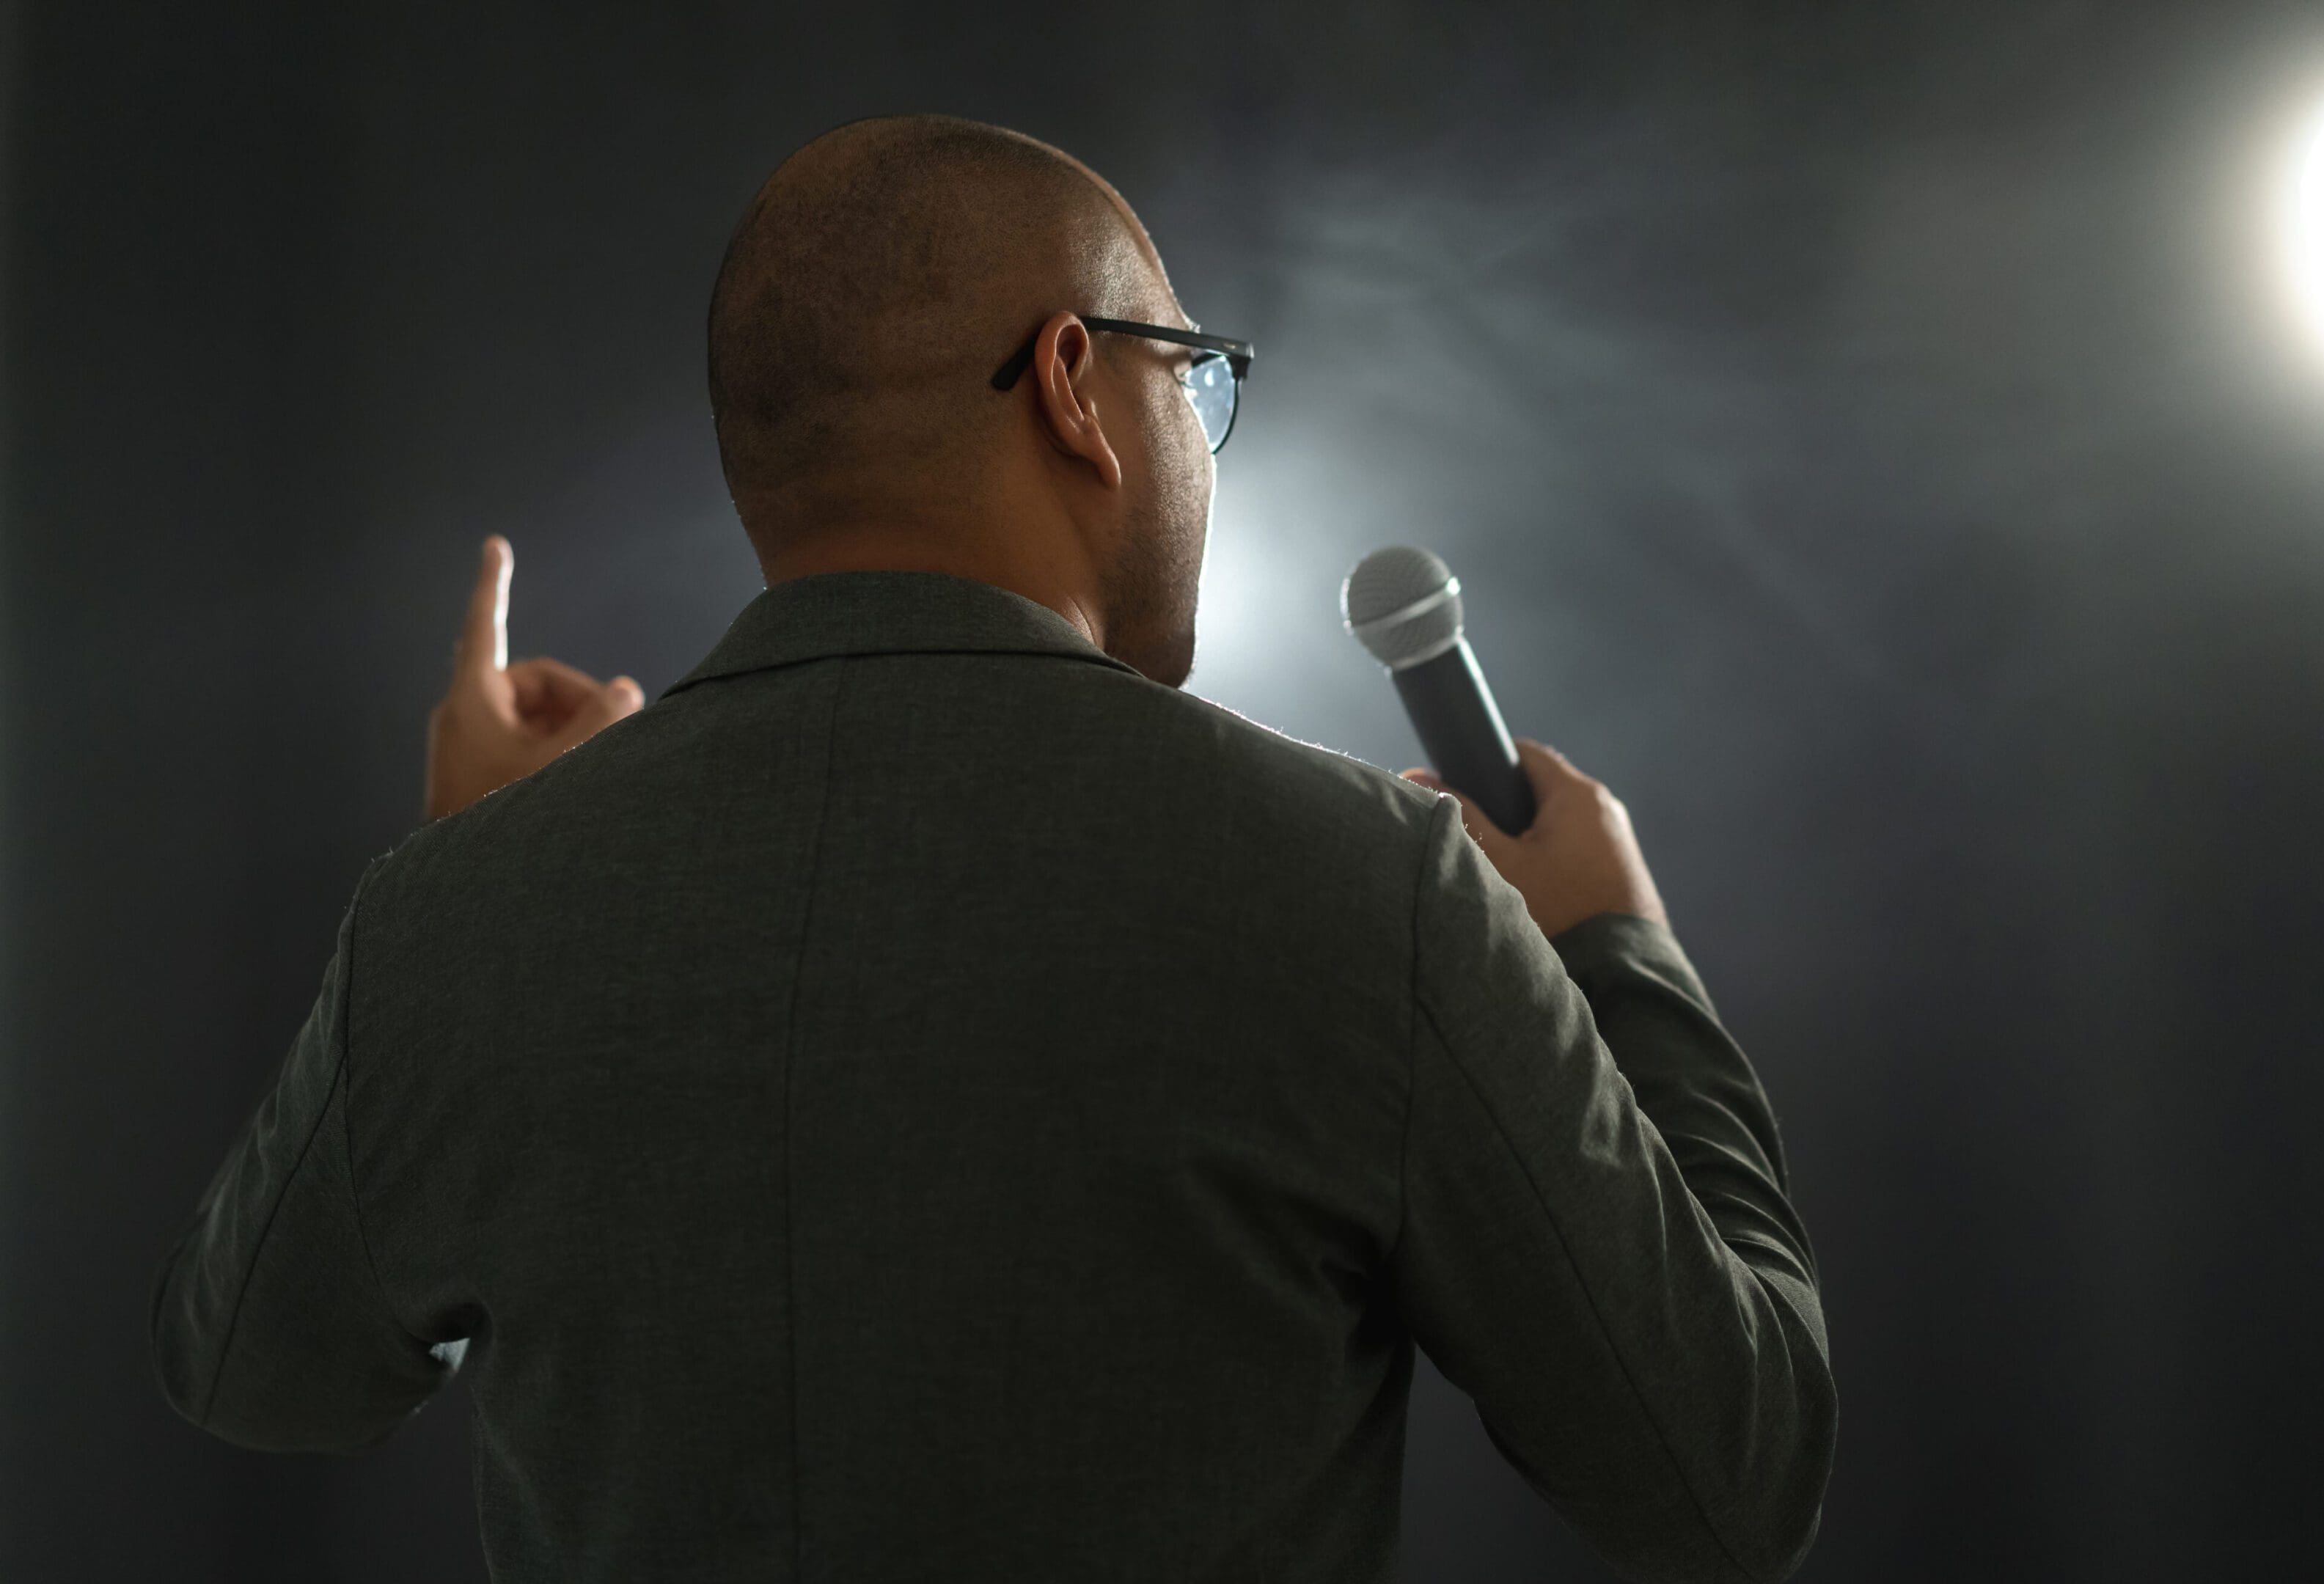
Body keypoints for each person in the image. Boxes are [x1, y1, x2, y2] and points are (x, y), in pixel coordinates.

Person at [149, 114, 1836, 1583]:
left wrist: (497, 857)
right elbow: (1724, 1479)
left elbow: (257, 1378)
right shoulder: (1367, 885)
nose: (1202, 440)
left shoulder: (457, 913)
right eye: (1196, 378)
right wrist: (1618, 959)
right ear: (1075, 385)